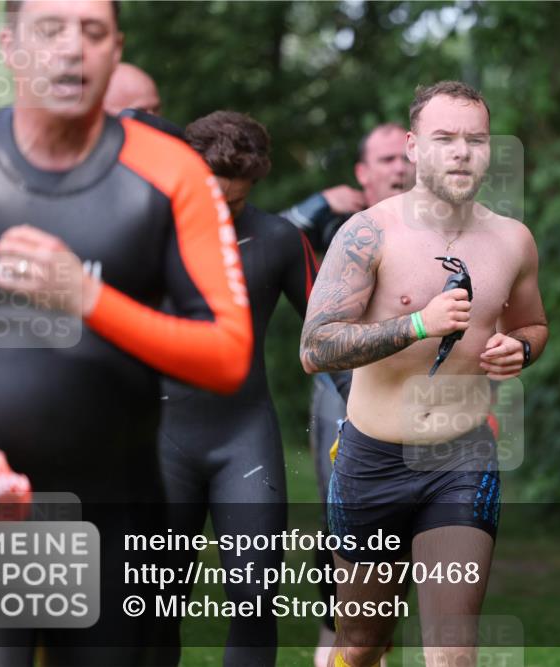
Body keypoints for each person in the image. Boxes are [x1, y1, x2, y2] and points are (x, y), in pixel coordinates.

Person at [0, 1, 251, 664]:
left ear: (116, 49)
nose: (73, 48)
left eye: (93, 31)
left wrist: (88, 297)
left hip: (112, 517)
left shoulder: (171, 173)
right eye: (50, 29)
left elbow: (226, 354)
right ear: (11, 46)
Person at [300, 81, 548, 667]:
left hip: (461, 459)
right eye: (444, 138)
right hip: (371, 460)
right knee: (363, 643)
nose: (461, 152)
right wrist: (417, 324)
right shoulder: (369, 232)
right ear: (414, 146)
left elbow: (534, 324)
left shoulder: (512, 240)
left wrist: (520, 348)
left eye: (475, 140)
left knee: (452, 650)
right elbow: (315, 348)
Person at [157, 110, 318, 667]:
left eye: (236, 202)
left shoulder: (279, 239)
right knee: (154, 605)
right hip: (161, 438)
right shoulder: (148, 230)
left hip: (243, 439)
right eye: (211, 199)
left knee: (255, 602)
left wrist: (366, 407)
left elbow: (335, 336)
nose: (221, 214)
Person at [283, 124, 415, 667]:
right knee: (342, 516)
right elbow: (263, 237)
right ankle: (334, 640)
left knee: (412, 517)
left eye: (404, 157)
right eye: (385, 159)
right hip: (342, 387)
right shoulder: (339, 223)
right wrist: (318, 202)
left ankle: (375, 643)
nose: (399, 168)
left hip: (417, 390)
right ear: (362, 173)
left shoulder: (438, 226)